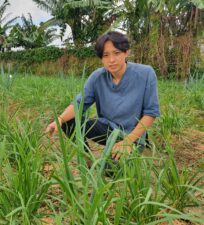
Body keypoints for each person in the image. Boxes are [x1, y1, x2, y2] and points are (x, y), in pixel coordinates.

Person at [46, 31, 160, 161]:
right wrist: (59, 119)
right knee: (68, 121)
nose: (111, 60)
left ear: (126, 52)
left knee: (109, 171)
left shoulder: (145, 74)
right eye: (106, 55)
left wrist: (127, 142)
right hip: (107, 129)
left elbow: (151, 113)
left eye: (116, 53)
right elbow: (79, 103)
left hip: (132, 136)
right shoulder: (97, 77)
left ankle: (138, 150)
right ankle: (86, 159)